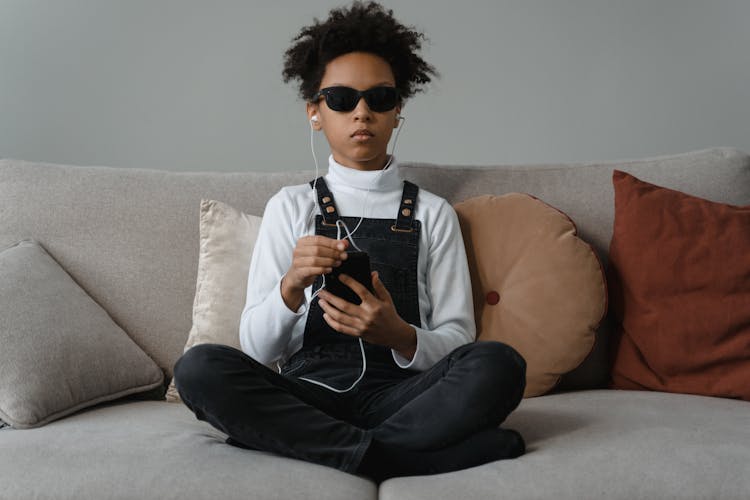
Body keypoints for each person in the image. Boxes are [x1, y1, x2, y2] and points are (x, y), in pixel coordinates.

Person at [173, 0, 527, 483]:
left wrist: (398, 334)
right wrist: (292, 285)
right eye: (341, 99)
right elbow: (256, 350)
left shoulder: (432, 213)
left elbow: (458, 339)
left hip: (404, 396)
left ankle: (319, 446)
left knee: (499, 364)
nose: (362, 112)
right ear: (315, 112)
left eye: (379, 98)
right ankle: (403, 459)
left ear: (398, 110)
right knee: (199, 368)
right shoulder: (291, 207)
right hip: (309, 393)